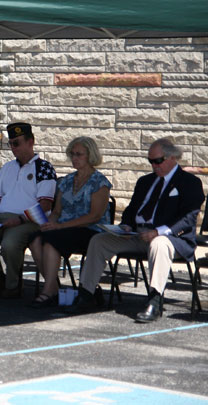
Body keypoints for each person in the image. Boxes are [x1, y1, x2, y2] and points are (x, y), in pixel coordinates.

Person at [68, 138, 205, 322]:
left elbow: (188, 218)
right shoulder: (145, 181)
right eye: (151, 161)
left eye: (158, 161)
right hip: (138, 234)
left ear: (173, 157)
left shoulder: (189, 182)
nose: (154, 166)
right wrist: (125, 225)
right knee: (99, 241)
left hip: (170, 238)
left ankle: (155, 300)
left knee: (159, 244)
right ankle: (86, 294)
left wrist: (158, 232)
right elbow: (132, 210)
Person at [28, 137, 111, 308]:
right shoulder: (66, 181)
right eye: (72, 154)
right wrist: (48, 224)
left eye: (79, 154)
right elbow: (57, 211)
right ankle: (54, 287)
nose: (74, 158)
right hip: (64, 229)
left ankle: (48, 291)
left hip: (90, 230)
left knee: (52, 241)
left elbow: (95, 216)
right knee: (36, 238)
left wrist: (59, 227)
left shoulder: (99, 182)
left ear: (90, 156)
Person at [0, 122, 57, 298]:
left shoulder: (44, 168)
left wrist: (18, 219)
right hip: (2, 219)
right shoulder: (7, 168)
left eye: (17, 143)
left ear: (30, 142)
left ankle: (12, 285)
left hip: (30, 221)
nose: (13, 148)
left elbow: (45, 206)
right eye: (10, 143)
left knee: (9, 245)